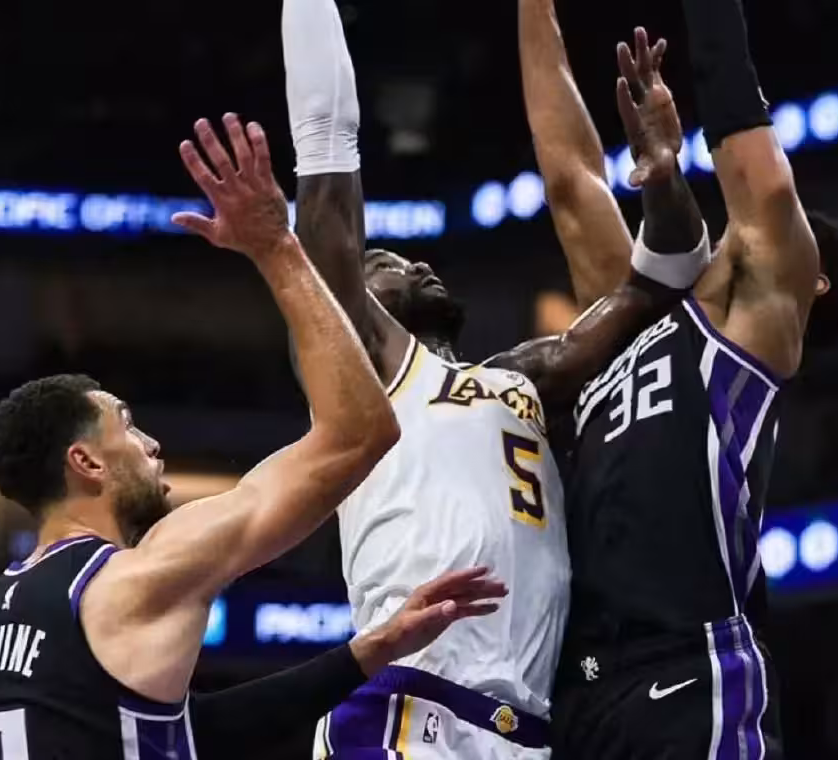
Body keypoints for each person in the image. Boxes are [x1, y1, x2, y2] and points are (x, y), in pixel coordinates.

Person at [0, 115, 508, 760]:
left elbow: (195, 730)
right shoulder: (140, 575)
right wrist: (277, 247)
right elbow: (362, 432)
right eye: (126, 425)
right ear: (86, 462)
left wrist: (372, 649)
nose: (151, 445)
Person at [282, 1, 710, 757]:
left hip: (522, 728)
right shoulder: (368, 372)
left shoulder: (525, 376)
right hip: (411, 703)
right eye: (384, 264)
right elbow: (328, 222)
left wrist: (664, 174)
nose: (412, 263)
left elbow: (665, 278)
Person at [550, 3, 838, 756]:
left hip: (691, 668)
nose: (733, 232)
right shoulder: (644, 323)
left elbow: (756, 165)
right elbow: (569, 183)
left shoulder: (750, 328)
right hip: (582, 684)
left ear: (809, 281)